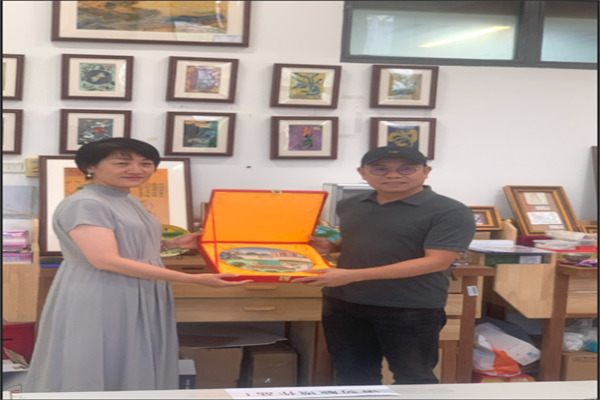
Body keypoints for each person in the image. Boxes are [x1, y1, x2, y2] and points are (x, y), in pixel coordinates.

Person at [24, 138, 251, 393]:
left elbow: (127, 245)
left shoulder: (127, 199)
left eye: (146, 163)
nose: (137, 169)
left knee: (135, 356)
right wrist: (192, 279)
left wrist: (173, 243)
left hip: (139, 288)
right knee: (101, 356)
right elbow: (104, 259)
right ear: (90, 167)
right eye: (122, 163)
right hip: (102, 290)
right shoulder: (86, 203)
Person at [295, 146, 476, 385]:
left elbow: (436, 261)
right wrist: (332, 246)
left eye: (406, 168)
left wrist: (352, 275)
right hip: (344, 303)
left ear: (426, 171)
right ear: (362, 173)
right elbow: (361, 237)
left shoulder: (451, 211)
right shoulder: (351, 204)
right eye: (380, 169)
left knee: (414, 379)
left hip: (409, 307)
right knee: (352, 376)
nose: (393, 175)